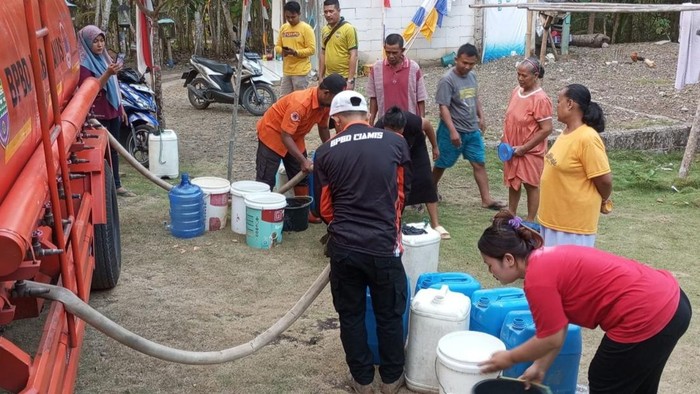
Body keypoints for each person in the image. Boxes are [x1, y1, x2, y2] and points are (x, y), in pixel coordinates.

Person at [477, 211, 691, 394]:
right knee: (638, 385)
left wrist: (509, 358)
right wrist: (540, 366)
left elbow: (549, 339)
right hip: (674, 303)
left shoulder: (537, 279)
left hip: (648, 314)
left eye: (489, 264)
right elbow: (557, 328)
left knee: (604, 378)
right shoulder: (544, 260)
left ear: (508, 259)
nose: (490, 272)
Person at [312, 91, 410, 394]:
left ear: (337, 120)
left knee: (351, 315)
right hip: (384, 247)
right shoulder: (395, 142)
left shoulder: (325, 152)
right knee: (390, 313)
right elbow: (402, 193)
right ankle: (392, 379)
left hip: (345, 249)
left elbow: (323, 208)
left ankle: (362, 380)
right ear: (367, 116)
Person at [255, 73, 345, 223]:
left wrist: (331, 149)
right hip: (272, 134)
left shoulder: (326, 104)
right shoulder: (300, 103)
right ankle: (262, 211)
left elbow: (323, 128)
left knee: (301, 176)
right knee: (266, 178)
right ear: (326, 93)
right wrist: (303, 160)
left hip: (294, 137)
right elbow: (285, 136)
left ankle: (303, 212)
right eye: (336, 98)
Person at [538, 84, 612, 247]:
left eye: (559, 102)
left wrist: (604, 199)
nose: (556, 106)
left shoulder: (588, 138)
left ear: (570, 104)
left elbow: (604, 180)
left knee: (570, 271)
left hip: (572, 227)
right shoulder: (566, 133)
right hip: (552, 220)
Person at [433, 43, 504, 210]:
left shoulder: (472, 76)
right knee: (442, 164)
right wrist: (452, 131)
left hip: (472, 131)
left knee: (479, 163)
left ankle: (486, 200)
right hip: (452, 130)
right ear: (456, 59)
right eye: (464, 62)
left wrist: (482, 117)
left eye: (471, 64)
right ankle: (429, 190)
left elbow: (475, 97)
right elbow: (443, 107)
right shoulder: (447, 79)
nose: (467, 67)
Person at [375, 107, 449, 240]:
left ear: (403, 127)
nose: (396, 135)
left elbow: (428, 125)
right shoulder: (379, 128)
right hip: (392, 152)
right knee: (393, 183)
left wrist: (435, 147)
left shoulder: (412, 121)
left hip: (415, 148)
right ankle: (392, 222)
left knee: (426, 181)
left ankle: (436, 224)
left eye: (398, 132)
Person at [77, 25, 134, 197]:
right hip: (97, 113)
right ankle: (107, 186)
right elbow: (91, 89)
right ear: (87, 43)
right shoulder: (84, 65)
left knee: (114, 148)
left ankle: (116, 183)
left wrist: (120, 107)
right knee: (101, 151)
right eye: (95, 41)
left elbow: (115, 85)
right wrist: (108, 74)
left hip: (113, 109)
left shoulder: (104, 58)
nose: (100, 45)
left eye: (102, 41)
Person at [502, 57, 553, 225]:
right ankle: (511, 213)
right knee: (513, 182)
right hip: (512, 146)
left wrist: (524, 148)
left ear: (535, 75)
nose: (520, 78)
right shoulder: (516, 91)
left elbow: (546, 129)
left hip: (530, 149)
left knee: (531, 183)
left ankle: (530, 220)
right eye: (518, 74)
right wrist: (505, 139)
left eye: (524, 75)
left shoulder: (540, 99)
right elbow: (510, 117)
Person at [366, 34, 427, 125]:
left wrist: (421, 122)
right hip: (386, 123)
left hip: (409, 123)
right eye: (388, 52)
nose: (391, 56)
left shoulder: (414, 68)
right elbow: (373, 98)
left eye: (394, 53)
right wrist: (371, 120)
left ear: (402, 50)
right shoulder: (376, 69)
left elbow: (420, 99)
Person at [275, 1, 316, 96]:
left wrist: (295, 52)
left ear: (299, 14)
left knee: (299, 99)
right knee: (283, 99)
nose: (290, 19)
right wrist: (283, 51)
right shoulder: (283, 28)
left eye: (293, 17)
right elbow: (277, 46)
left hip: (301, 72)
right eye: (287, 17)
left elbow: (312, 49)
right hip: (287, 71)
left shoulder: (306, 28)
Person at [319, 0, 358, 90]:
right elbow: (323, 53)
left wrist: (350, 80)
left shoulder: (349, 29)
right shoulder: (324, 30)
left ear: (339, 10)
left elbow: (354, 55)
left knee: (344, 103)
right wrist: (321, 76)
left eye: (331, 11)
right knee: (329, 103)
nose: (328, 15)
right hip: (329, 77)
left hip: (343, 77)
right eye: (325, 12)